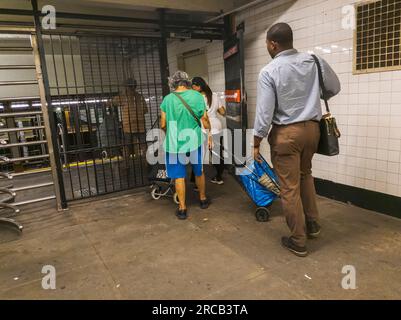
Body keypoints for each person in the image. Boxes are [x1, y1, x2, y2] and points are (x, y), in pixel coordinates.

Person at [252, 23, 341, 257]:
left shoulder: (269, 71)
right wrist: (310, 95)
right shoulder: (313, 60)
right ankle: (312, 224)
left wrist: (256, 140)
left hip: (286, 135)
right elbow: (333, 87)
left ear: (273, 44)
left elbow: (264, 112)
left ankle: (298, 239)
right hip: (313, 130)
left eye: (267, 44)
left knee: (289, 188)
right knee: (305, 175)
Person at [160, 71, 212, 220]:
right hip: (194, 140)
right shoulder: (197, 96)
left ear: (173, 83)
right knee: (198, 171)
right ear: (187, 82)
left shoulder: (167, 100)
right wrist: (208, 133)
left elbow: (163, 124)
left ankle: (182, 208)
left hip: (174, 143)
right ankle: (202, 199)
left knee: (179, 176)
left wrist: (171, 131)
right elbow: (205, 119)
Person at [192, 77, 226, 185]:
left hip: (204, 127)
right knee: (217, 154)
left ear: (198, 86)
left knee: (198, 155)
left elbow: (201, 116)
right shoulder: (215, 96)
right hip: (217, 126)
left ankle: (195, 181)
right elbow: (223, 111)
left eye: (193, 86)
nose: (192, 88)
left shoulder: (197, 98)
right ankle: (219, 177)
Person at [111, 78, 149, 159]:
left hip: (128, 126)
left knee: (127, 146)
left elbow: (111, 103)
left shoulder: (123, 97)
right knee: (143, 145)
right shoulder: (140, 97)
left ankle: (126, 164)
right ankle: (147, 163)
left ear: (127, 87)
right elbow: (145, 110)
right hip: (140, 125)